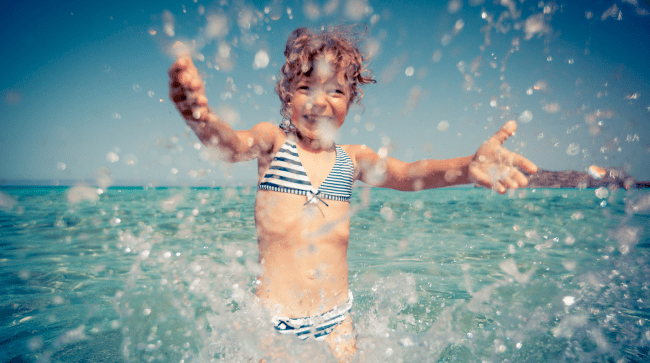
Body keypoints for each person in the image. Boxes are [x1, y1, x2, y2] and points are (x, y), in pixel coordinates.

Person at [168, 26, 537, 362]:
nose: (320, 101)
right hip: (273, 322)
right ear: (287, 93)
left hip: (336, 321)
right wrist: (199, 115)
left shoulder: (352, 159)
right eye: (306, 87)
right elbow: (231, 145)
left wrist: (467, 166)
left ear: (350, 100)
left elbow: (409, 174)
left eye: (336, 90)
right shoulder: (272, 142)